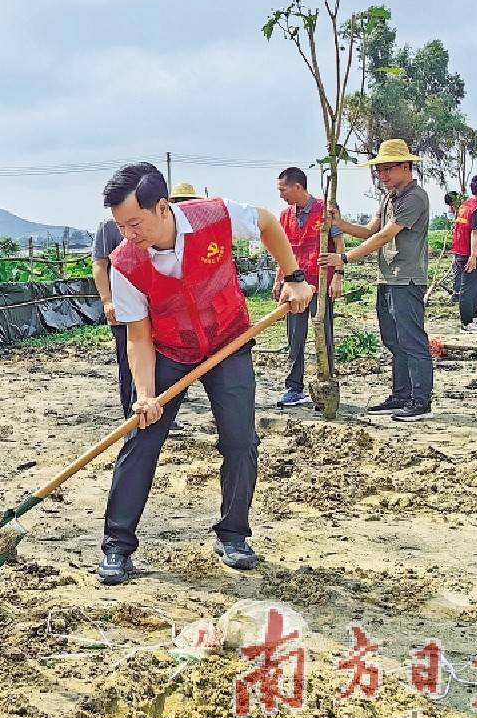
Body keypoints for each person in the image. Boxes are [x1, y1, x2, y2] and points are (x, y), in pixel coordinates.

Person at [97, 162, 314, 585]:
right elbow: (138, 337)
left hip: (227, 340)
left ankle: (233, 534)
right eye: (121, 226)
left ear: (162, 207)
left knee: (240, 440)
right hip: (170, 348)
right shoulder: (125, 264)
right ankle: (117, 544)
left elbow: (268, 222)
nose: (129, 235)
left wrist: (295, 277)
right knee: (142, 435)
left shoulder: (214, 216)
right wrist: (145, 394)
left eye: (135, 223)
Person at [323, 139, 433, 422]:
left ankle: (420, 402)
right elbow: (370, 230)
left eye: (388, 169)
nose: (382, 176)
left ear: (406, 167)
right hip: (387, 277)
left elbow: (385, 235)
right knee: (393, 340)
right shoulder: (389, 197)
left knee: (412, 340)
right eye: (379, 170)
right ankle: (400, 395)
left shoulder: (414, 198)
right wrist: (341, 222)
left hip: (406, 278)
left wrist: (345, 259)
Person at [273, 167, 345, 407]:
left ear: (298, 186)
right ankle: (294, 388)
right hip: (294, 286)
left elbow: (339, 243)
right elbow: (282, 250)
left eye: (283, 190)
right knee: (295, 336)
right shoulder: (284, 216)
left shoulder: (325, 211)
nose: (281, 195)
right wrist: (278, 279)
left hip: (320, 283)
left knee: (323, 333)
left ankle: (326, 382)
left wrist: (338, 276)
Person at [92, 218, 133, 416]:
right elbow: (99, 265)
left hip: (153, 308)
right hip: (123, 310)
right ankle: (131, 414)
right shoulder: (109, 227)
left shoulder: (153, 220)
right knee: (129, 364)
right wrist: (108, 301)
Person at [449, 175, 477, 332]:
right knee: (468, 289)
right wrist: (473, 257)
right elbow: (475, 233)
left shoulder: (465, 205)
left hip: (462, 252)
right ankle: (466, 322)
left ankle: (473, 316)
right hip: (470, 255)